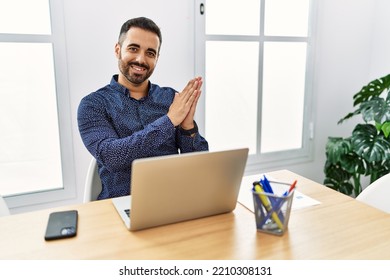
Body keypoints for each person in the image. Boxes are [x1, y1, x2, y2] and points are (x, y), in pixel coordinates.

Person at [77, 17, 209, 199]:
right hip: (120, 205)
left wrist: (188, 128)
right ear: (118, 50)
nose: (141, 59)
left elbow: (198, 166)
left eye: (150, 53)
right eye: (133, 49)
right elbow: (112, 157)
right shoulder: (93, 105)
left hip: (172, 201)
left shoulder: (172, 99)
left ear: (157, 58)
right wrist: (169, 121)